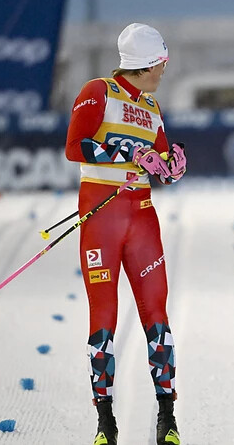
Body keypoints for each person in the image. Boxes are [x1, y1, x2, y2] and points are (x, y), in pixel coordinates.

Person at [65, 23, 186, 445]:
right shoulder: (97, 90)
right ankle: (106, 424)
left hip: (142, 217)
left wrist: (170, 168)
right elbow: (74, 146)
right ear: (147, 63)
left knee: (157, 316)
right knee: (104, 319)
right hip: (101, 217)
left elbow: (163, 156)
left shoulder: (152, 105)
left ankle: (167, 419)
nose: (165, 70)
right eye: (162, 63)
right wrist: (127, 152)